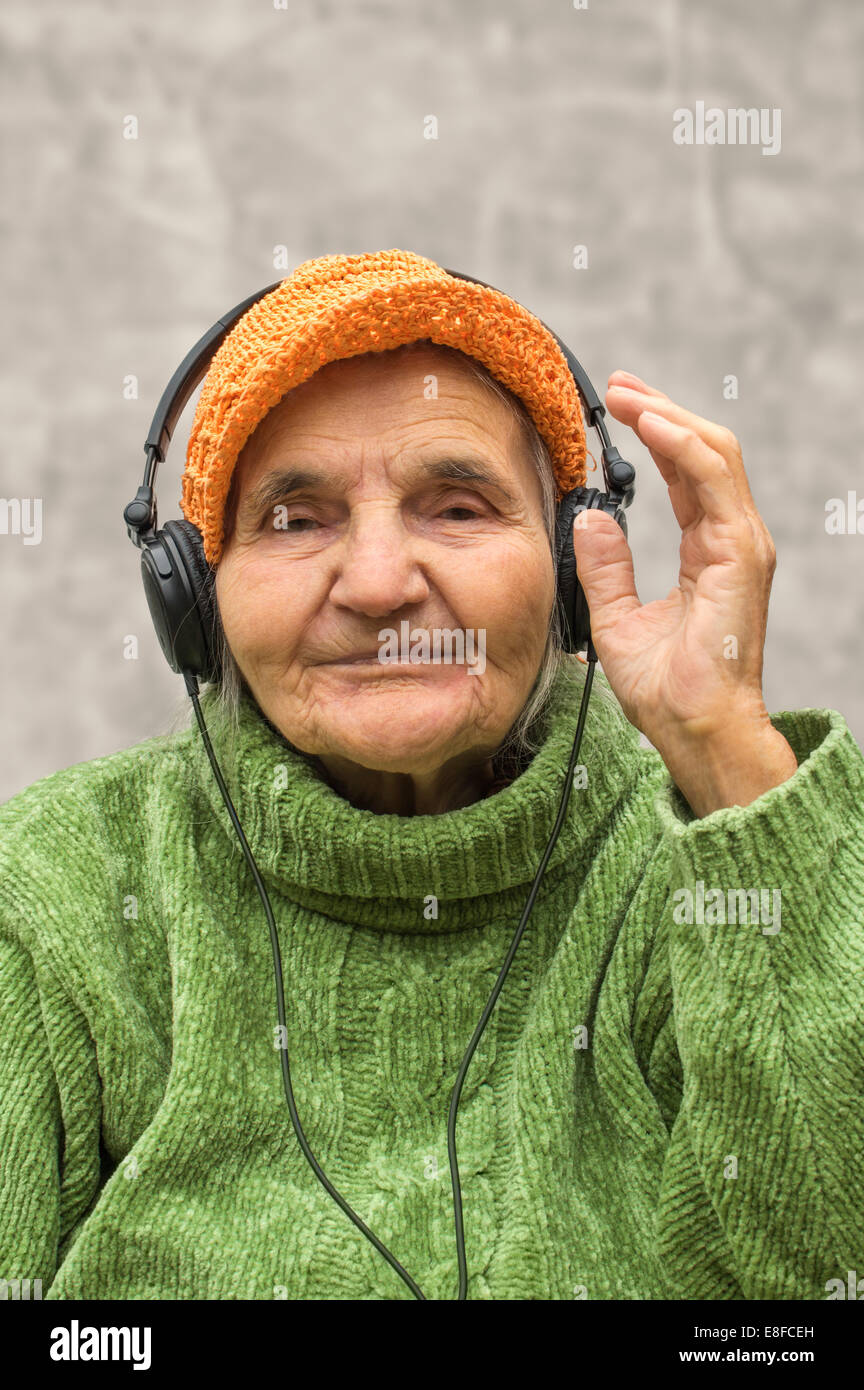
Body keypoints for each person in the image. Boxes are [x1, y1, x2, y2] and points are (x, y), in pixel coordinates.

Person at [1, 249, 862, 1302]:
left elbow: (827, 1279)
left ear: (569, 569)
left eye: (455, 507)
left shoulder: (701, 859)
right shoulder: (61, 887)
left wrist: (723, 741)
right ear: (194, 595)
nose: (375, 584)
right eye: (294, 518)